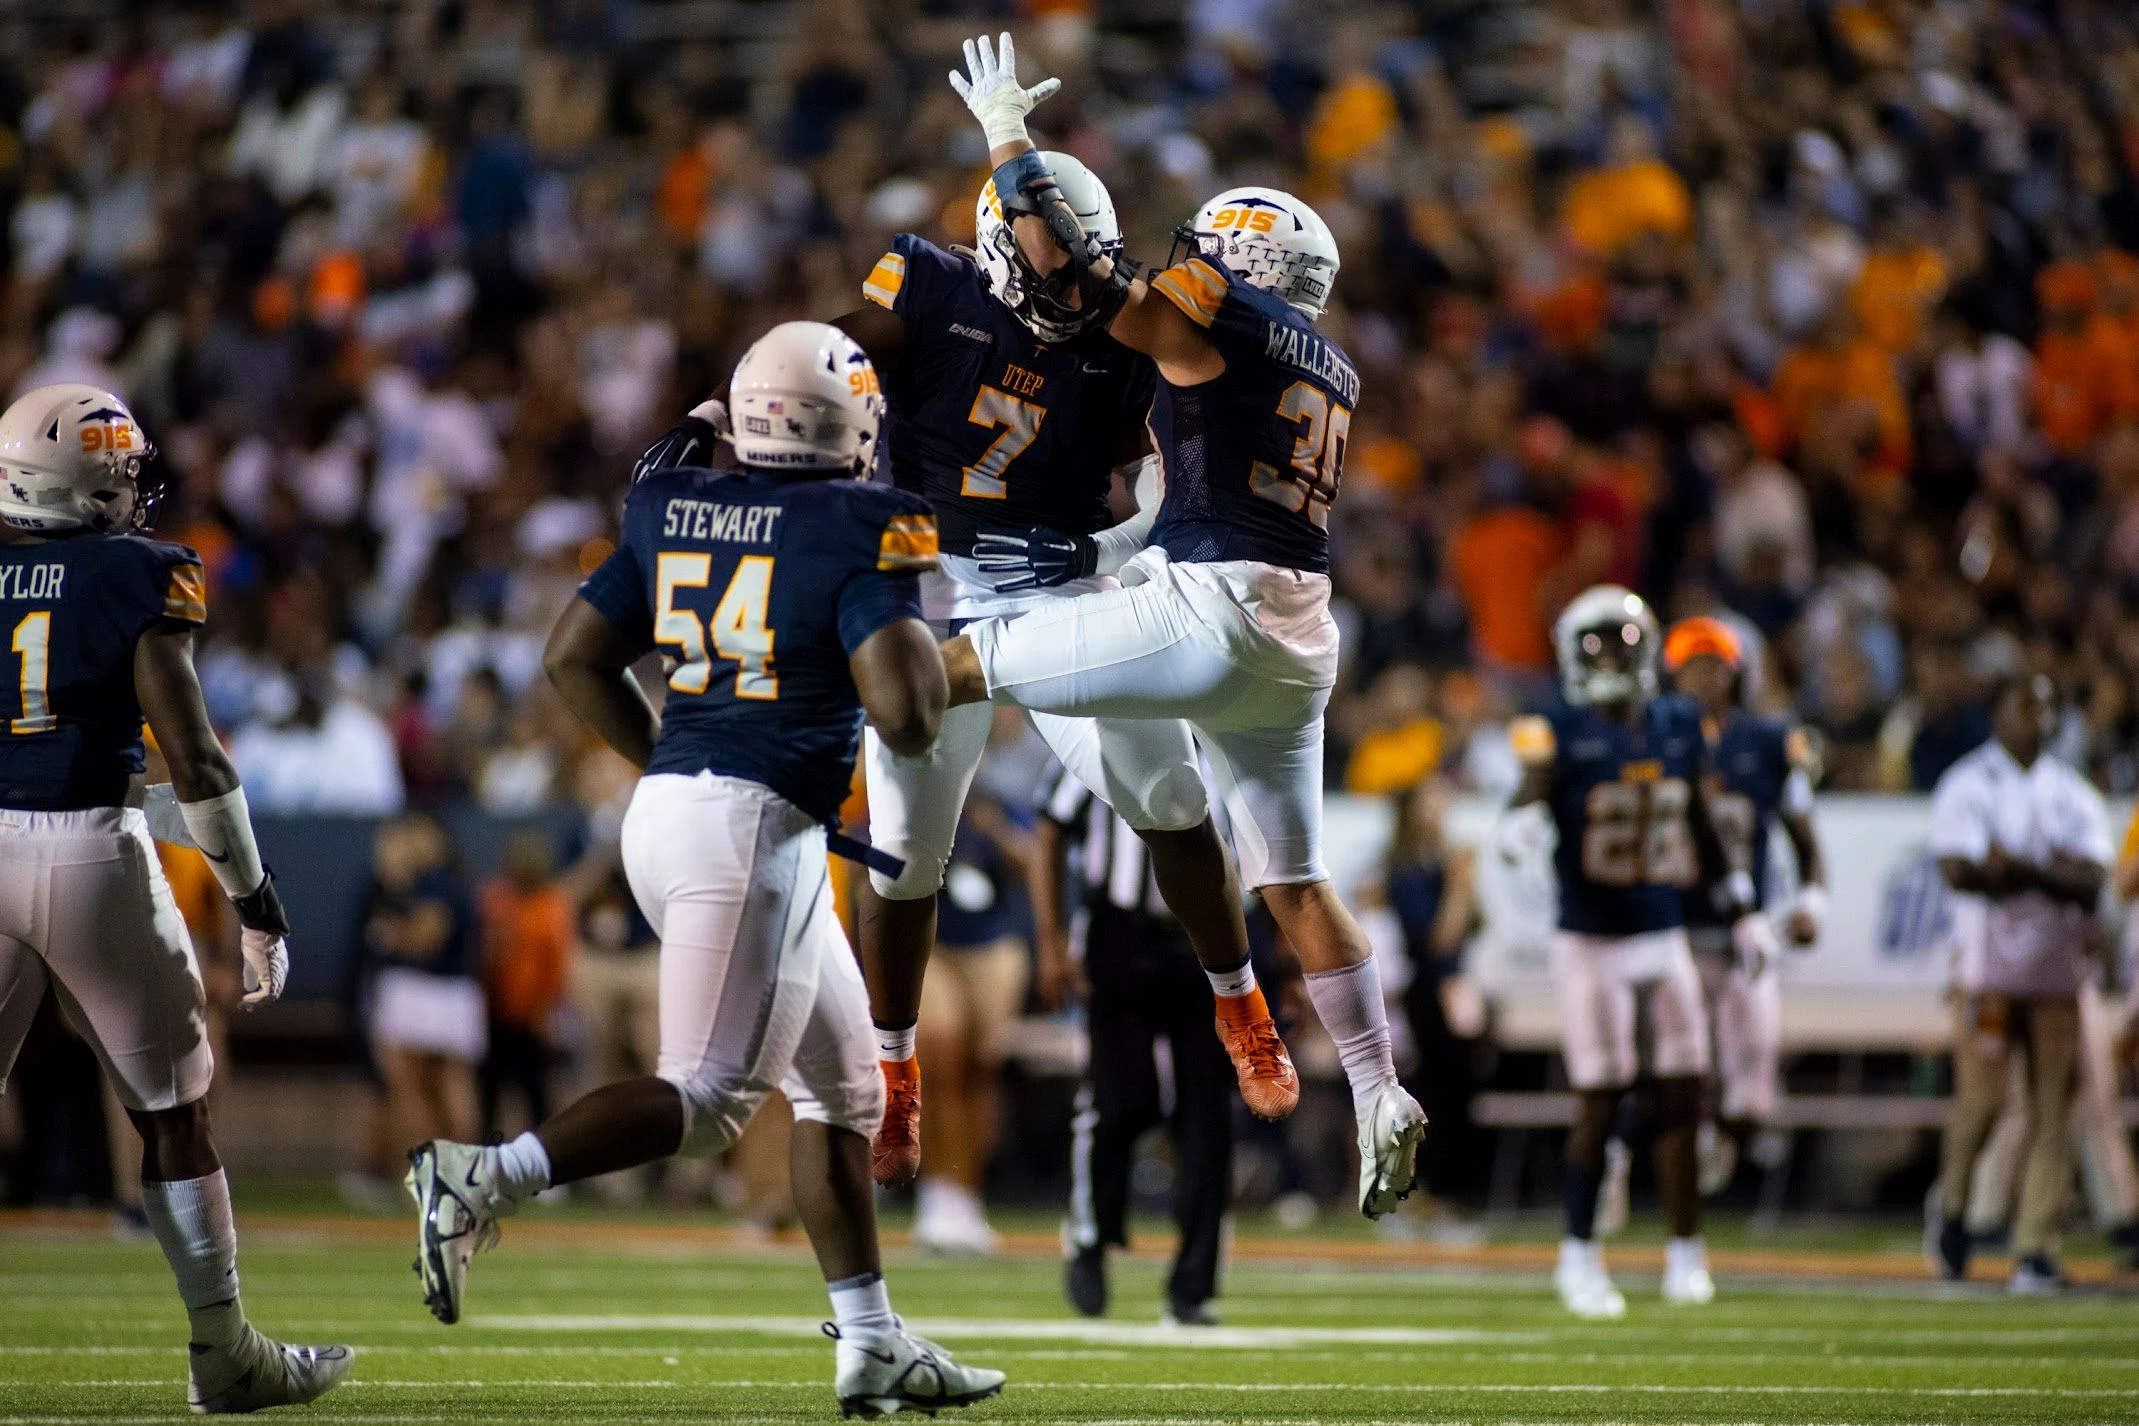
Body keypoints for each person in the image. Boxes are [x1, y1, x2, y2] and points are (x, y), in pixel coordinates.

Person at [403, 323, 1003, 1416]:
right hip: (748, 827)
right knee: (713, 1099)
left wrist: (680, 765)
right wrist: (950, 636)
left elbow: (570, 657)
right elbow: (907, 717)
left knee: (849, 1088)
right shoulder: (865, 521)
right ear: (854, 423)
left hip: (679, 808)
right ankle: (483, 1174)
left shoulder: (670, 501)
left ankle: (871, 1343)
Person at [932, 34, 1425, 1220]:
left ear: (1243, 255)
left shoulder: (1225, 311)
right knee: (1296, 878)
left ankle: (786, 753)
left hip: (1210, 610)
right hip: (1298, 645)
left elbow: (1070, 282)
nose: (1188, 258)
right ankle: (1376, 1089)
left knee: (942, 666)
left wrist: (1010, 142)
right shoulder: (1333, 360)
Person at [822, 129, 1292, 1189]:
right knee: (907, 846)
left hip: (1057, 581)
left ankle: (1239, 1000)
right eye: (1049, 259)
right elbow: (833, 351)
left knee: (1168, 787)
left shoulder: (1128, 337)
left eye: (1087, 264)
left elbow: (1181, 494)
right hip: (926, 576)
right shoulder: (929, 280)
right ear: (996, 247)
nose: (1073, 288)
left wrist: (1103, 546)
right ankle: (894, 1069)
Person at [0, 384, 349, 1410]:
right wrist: (254, 896)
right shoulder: (133, 572)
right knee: (174, 1116)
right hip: (88, 855)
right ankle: (223, 1351)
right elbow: (191, 754)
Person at [1500, 585, 1751, 1318]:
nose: (1609, 657)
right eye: (1594, 644)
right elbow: (1530, 788)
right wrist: (1519, 823)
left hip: (1661, 928)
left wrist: (1735, 892)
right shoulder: (1555, 726)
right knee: (1601, 1099)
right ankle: (1577, 1254)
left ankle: (1685, 1253)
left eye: (1620, 641)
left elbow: (1699, 811)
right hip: (1591, 940)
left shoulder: (1677, 722)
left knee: (1682, 1092)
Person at [1926, 673, 2110, 1294]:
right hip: (1988, 971)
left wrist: (2016, 868)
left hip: (2056, 970)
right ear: (1996, 712)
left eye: (2045, 705)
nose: (2035, 717)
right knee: (1983, 1103)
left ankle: (2035, 1244)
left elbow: (2091, 883)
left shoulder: (2070, 791)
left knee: (2055, 1104)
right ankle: (1953, 1210)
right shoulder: (1970, 782)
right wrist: (2050, 872)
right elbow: (1961, 872)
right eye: (2022, 705)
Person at [1035, 763, 1235, 1325]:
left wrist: (1282, 958)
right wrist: (1050, 939)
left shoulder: (1227, 731)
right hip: (1120, 933)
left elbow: (1264, 844)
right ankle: (1089, 1236)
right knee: (1120, 1099)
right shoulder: (1103, 724)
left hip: (1214, 934)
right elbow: (1049, 828)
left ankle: (1192, 1286)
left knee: (1206, 1115)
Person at [1661, 616, 1827, 1193]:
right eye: (1690, 666)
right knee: (1676, 1070)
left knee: (1754, 1082)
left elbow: (1806, 840)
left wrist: (1812, 902)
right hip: (1673, 931)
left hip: (1742, 934)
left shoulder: (1770, 742)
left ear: (1738, 674)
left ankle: (1719, 1150)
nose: (1702, 678)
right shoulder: (1653, 739)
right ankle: (1660, 1169)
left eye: (1713, 665)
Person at [912, 758, 1031, 1254]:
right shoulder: (899, 785)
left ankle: (967, 1195)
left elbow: (1030, 863)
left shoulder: (993, 795)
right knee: (940, 1057)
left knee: (981, 1069)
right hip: (929, 942)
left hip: (988, 940)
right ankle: (937, 1192)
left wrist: (996, 829)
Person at [364, 813, 484, 1152]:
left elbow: (428, 938)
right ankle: (463, 1173)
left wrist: (391, 935)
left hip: (422, 989)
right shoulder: (455, 880)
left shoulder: (433, 882)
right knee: (449, 1086)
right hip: (457, 991)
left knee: (413, 1088)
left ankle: (430, 1172)